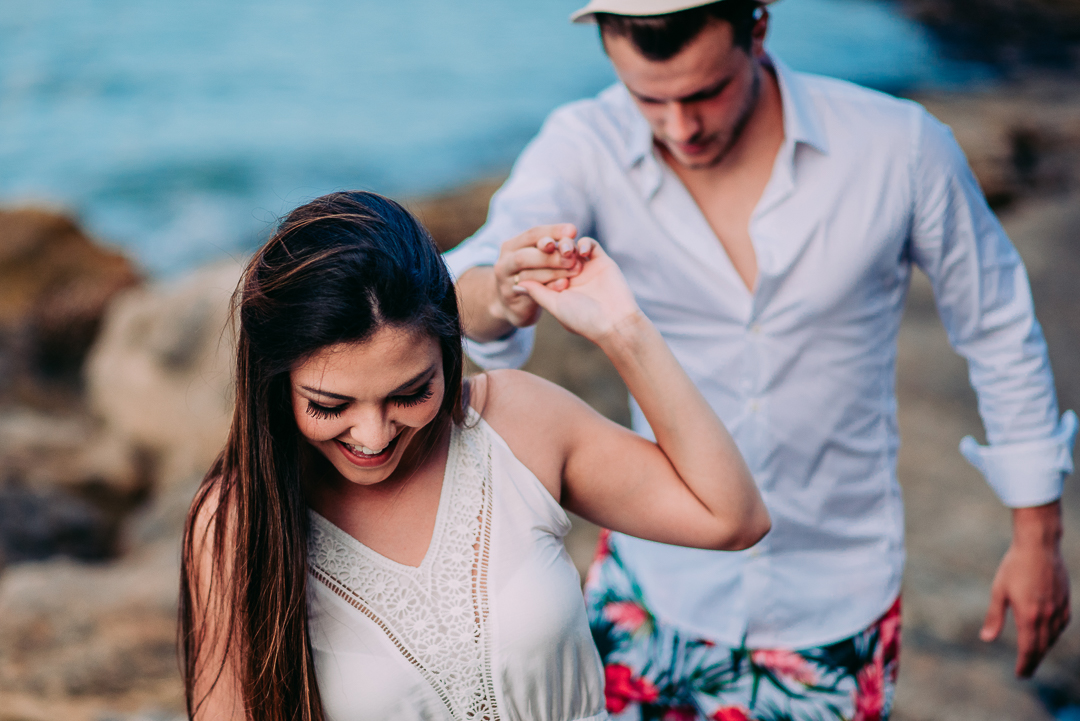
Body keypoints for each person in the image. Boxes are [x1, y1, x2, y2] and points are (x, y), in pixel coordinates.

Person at [445, 1, 1077, 718]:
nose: (680, 126)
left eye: (705, 92)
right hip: (650, 591)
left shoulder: (900, 148)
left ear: (759, 29)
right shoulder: (581, 144)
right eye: (648, 98)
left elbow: (996, 322)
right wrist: (502, 288)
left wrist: (1038, 533)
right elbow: (463, 286)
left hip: (836, 605)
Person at [179, 190, 769, 721]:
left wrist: (624, 329)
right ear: (275, 384)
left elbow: (731, 517)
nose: (375, 434)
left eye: (411, 394)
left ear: (450, 350)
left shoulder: (515, 424)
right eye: (331, 406)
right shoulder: (236, 523)